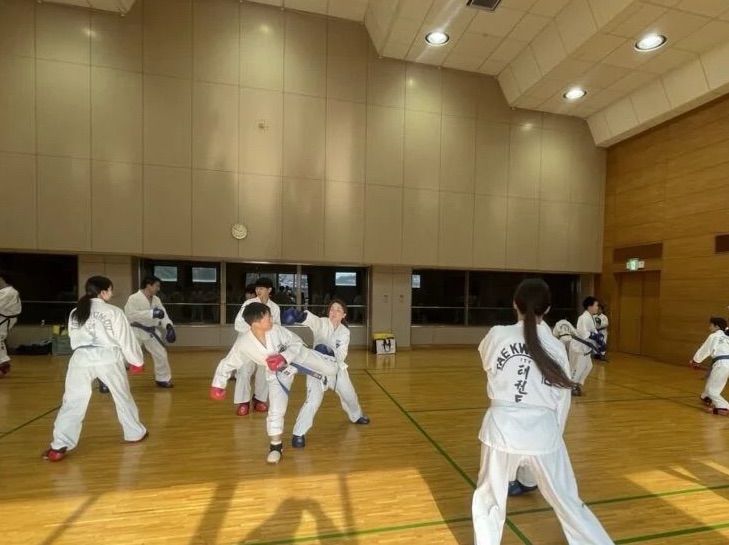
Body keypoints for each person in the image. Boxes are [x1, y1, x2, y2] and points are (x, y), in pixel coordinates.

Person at [472, 278, 614, 545]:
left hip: (501, 429)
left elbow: (488, 365)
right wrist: (555, 434)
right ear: (547, 309)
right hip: (542, 431)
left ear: (515, 304)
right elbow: (561, 400)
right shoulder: (555, 347)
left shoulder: (497, 335)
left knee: (488, 497)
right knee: (568, 500)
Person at [209, 303, 338, 464]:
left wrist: (283, 356)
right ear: (256, 323)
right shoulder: (243, 344)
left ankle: (325, 355)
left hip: (298, 357)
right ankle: (276, 446)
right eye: (268, 317)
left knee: (332, 369)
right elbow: (228, 363)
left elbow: (297, 342)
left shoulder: (276, 330)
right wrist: (218, 384)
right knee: (276, 409)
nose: (271, 319)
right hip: (277, 373)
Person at [42, 276, 148, 462]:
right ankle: (134, 433)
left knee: (73, 401)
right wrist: (137, 361)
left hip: (80, 360)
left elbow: (73, 336)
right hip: (108, 358)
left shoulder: (76, 312)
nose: (112, 294)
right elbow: (126, 340)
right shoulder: (113, 312)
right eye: (111, 290)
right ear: (103, 292)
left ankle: (59, 445)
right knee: (122, 396)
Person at [283, 299, 369, 448]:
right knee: (312, 400)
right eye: (332, 309)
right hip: (316, 367)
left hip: (336, 368)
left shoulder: (345, 332)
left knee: (349, 395)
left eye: (338, 310)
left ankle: (356, 416)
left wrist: (329, 352)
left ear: (344, 315)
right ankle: (298, 434)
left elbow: (342, 354)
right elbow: (311, 320)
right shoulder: (322, 323)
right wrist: (299, 316)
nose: (334, 312)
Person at [229, 277, 280, 416]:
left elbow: (277, 328)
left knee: (264, 372)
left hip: (265, 346)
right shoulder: (249, 304)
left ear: (269, 290)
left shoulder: (275, 308)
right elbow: (238, 324)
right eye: (257, 288)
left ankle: (259, 399)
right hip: (248, 345)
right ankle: (243, 402)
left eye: (262, 288)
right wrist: (257, 327)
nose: (258, 291)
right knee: (244, 371)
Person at [124, 275, 176, 389]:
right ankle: (112, 379)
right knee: (127, 355)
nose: (158, 289)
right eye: (157, 286)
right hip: (135, 331)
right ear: (149, 285)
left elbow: (163, 314)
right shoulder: (134, 298)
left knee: (161, 354)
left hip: (151, 331)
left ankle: (162, 379)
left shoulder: (156, 299)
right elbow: (130, 315)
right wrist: (152, 313)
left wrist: (168, 326)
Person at [690, 317, 729, 416]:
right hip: (724, 363)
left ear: (716, 326)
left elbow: (705, 349)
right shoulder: (726, 336)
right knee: (712, 384)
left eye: (711, 325)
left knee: (712, 390)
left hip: (722, 364)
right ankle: (706, 397)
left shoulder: (714, 336)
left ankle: (724, 406)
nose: (709, 327)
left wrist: (695, 361)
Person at [568, 297, 601, 396]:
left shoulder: (590, 317)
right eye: (596, 305)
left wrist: (599, 338)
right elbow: (583, 333)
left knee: (588, 366)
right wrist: (595, 336)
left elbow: (593, 331)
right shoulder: (583, 317)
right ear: (589, 307)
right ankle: (571, 387)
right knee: (578, 368)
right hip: (579, 347)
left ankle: (577, 384)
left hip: (585, 348)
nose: (597, 307)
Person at [0, 272, 22, 377]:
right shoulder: (5, 292)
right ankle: (4, 366)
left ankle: (4, 366)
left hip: (5, 319)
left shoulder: (9, 292)